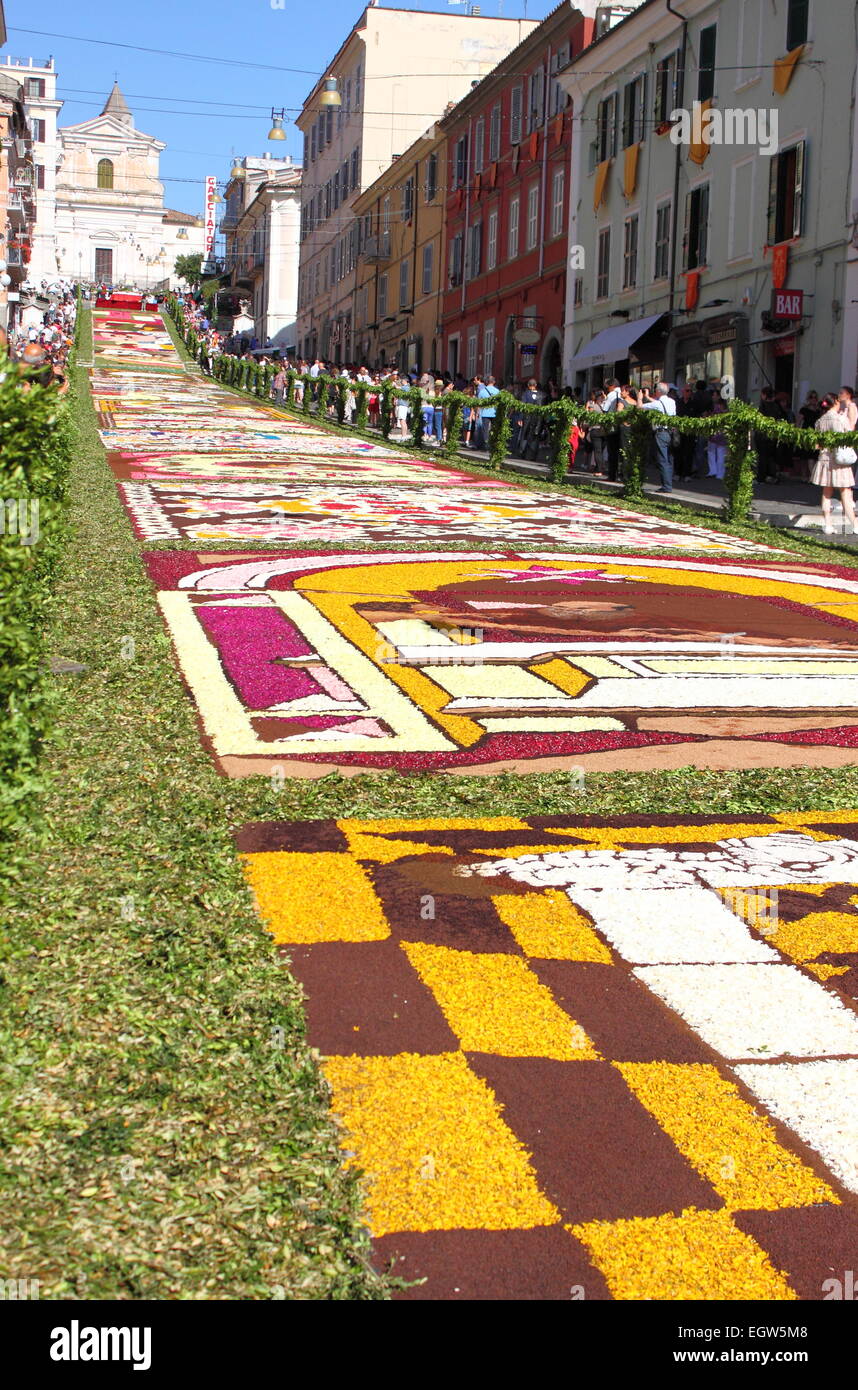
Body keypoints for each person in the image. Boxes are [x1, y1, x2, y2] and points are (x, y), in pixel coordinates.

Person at [812, 393, 857, 534]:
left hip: (825, 459)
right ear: (836, 402)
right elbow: (848, 436)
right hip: (839, 460)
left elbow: (817, 444)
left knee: (826, 493)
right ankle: (855, 524)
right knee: (846, 493)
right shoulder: (840, 419)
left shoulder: (820, 421)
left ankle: (827, 524)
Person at [641, 381, 676, 493]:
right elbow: (659, 403)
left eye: (655, 390)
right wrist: (648, 397)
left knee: (662, 459)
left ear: (658, 391)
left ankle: (666, 486)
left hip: (661, 433)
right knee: (669, 459)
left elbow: (639, 407)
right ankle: (668, 483)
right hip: (670, 432)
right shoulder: (672, 401)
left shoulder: (657, 404)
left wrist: (640, 397)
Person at [705, 390, 728, 480]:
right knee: (719, 453)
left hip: (716, 432)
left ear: (719, 396)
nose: (713, 397)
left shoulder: (715, 407)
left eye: (714, 395)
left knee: (714, 452)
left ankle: (714, 471)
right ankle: (718, 473)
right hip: (720, 432)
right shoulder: (724, 407)